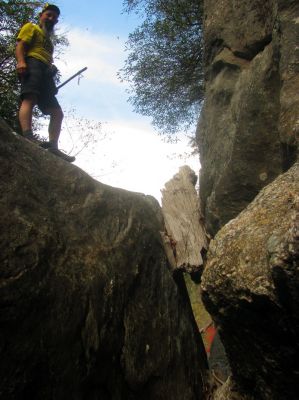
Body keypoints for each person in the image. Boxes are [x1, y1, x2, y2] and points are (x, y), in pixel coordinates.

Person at [15, 3, 75, 163]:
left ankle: (53, 146)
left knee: (57, 112)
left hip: (46, 73)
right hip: (32, 63)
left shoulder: (49, 42)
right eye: (48, 15)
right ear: (41, 15)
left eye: (54, 17)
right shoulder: (31, 28)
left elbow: (48, 61)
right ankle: (28, 136)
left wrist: (51, 76)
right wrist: (21, 62)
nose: (51, 18)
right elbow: (21, 45)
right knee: (30, 99)